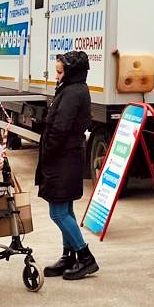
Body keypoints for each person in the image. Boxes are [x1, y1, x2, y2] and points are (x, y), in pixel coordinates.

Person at [35, 50, 99, 280]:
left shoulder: (73, 92)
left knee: (58, 212)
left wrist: (48, 152)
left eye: (59, 72)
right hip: (66, 157)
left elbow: (60, 128)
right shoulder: (71, 89)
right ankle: (69, 255)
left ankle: (84, 255)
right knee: (66, 209)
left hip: (63, 158)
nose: (56, 76)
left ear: (70, 72)